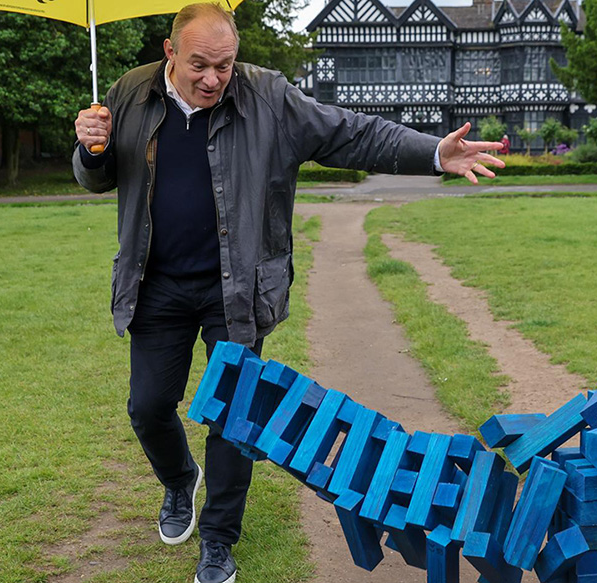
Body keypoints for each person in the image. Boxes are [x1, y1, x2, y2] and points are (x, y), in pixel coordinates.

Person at [72, 4, 504, 582]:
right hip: (156, 284)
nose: (212, 79)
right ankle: (179, 479)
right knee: (148, 407)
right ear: (170, 52)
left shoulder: (267, 97)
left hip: (239, 287)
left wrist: (431, 153)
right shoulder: (127, 93)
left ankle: (219, 540)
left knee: (233, 415)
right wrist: (91, 149)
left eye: (224, 65)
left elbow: (350, 133)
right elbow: (98, 179)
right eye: (198, 64)